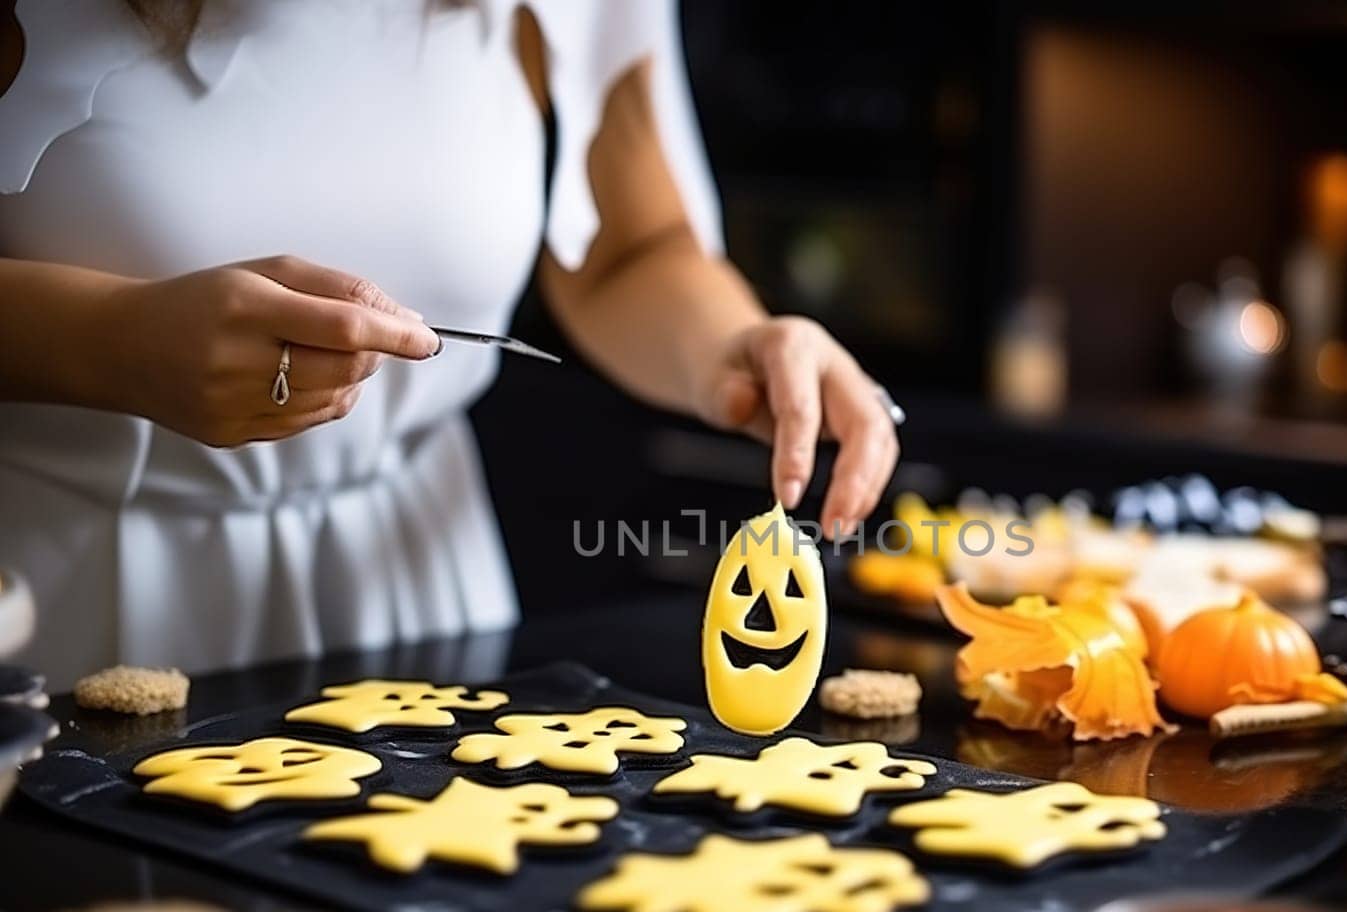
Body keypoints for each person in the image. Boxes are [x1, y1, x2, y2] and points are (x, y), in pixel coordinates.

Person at [0, 0, 900, 683]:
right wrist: (103, 343)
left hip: (424, 601)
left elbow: (631, 247)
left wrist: (733, 344)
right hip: (56, 610)